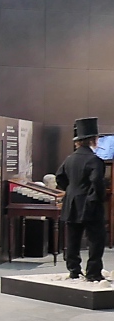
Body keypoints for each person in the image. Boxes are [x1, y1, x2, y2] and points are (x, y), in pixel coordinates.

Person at [57, 117, 107, 281]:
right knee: (96, 240)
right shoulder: (95, 161)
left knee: (72, 239)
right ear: (93, 139)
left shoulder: (69, 159)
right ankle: (93, 273)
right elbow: (97, 183)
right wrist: (100, 198)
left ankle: (74, 270)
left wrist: (71, 190)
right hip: (90, 204)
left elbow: (60, 178)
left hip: (71, 204)